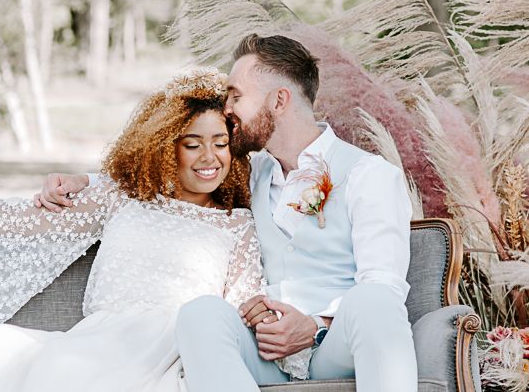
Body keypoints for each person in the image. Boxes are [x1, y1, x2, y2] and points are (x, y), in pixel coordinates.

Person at [38, 34, 418, 392]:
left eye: (236, 96)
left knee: (375, 302)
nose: (227, 108)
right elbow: (170, 177)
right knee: (200, 314)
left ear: (279, 101)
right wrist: (85, 181)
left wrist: (316, 325)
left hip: (335, 348)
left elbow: (383, 285)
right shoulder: (250, 172)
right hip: (264, 351)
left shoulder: (369, 176)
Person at [0, 69, 263, 392]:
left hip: (172, 349)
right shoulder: (121, 198)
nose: (210, 157)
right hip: (98, 341)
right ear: (163, 148)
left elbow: (244, 309)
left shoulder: (238, 224)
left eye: (221, 143)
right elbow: (15, 221)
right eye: (192, 144)